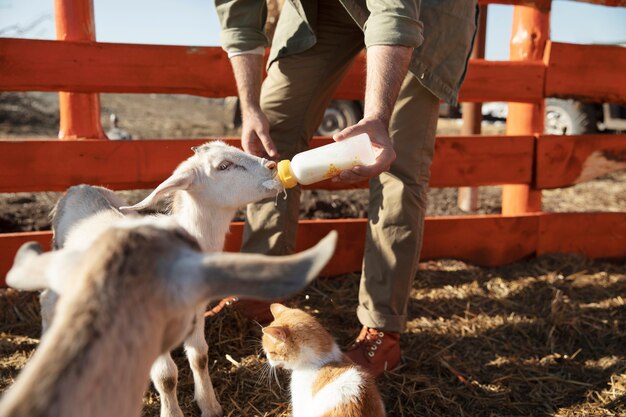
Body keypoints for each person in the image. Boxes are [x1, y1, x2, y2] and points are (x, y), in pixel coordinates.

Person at [215, 0, 478, 377]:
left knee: (394, 159)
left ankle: (382, 331)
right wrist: (250, 106)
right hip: (321, 7)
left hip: (419, 9)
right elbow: (239, 13)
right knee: (274, 128)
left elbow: (395, 13)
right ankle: (262, 287)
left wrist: (375, 119)